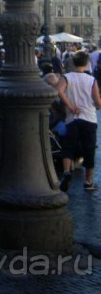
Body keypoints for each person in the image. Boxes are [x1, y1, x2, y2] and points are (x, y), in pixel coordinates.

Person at [56, 51, 101, 193]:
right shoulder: (91, 80)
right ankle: (88, 182)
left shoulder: (66, 77)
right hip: (89, 118)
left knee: (68, 147)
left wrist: (70, 106)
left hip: (72, 118)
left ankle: (67, 172)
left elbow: (59, 91)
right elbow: (97, 102)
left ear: (74, 63)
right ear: (87, 63)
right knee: (89, 148)